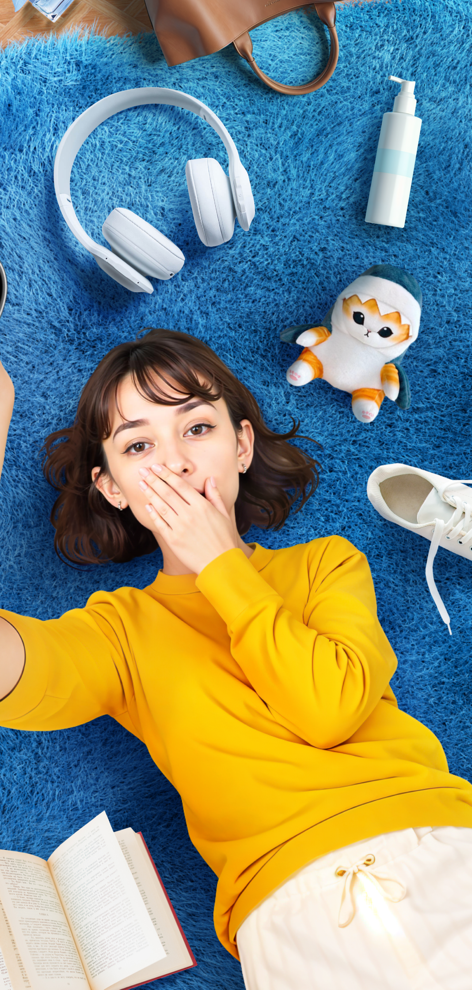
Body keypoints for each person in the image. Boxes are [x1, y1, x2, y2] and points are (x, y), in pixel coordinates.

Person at [1, 328, 472, 990]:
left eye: (196, 428)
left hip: (441, 849)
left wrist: (222, 564)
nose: (176, 463)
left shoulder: (325, 564)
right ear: (111, 488)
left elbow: (329, 709)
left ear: (242, 445)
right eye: (139, 445)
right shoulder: (119, 633)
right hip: (289, 922)